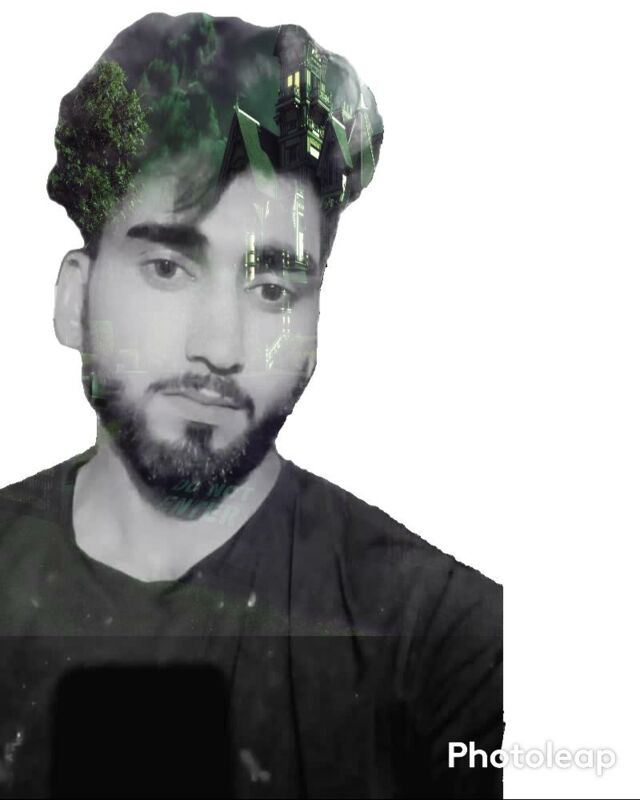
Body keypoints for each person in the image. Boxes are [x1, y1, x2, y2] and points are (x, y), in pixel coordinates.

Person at [0, 12, 503, 799]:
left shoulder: (448, 643)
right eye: (168, 268)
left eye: (272, 289)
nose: (220, 346)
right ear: (74, 300)